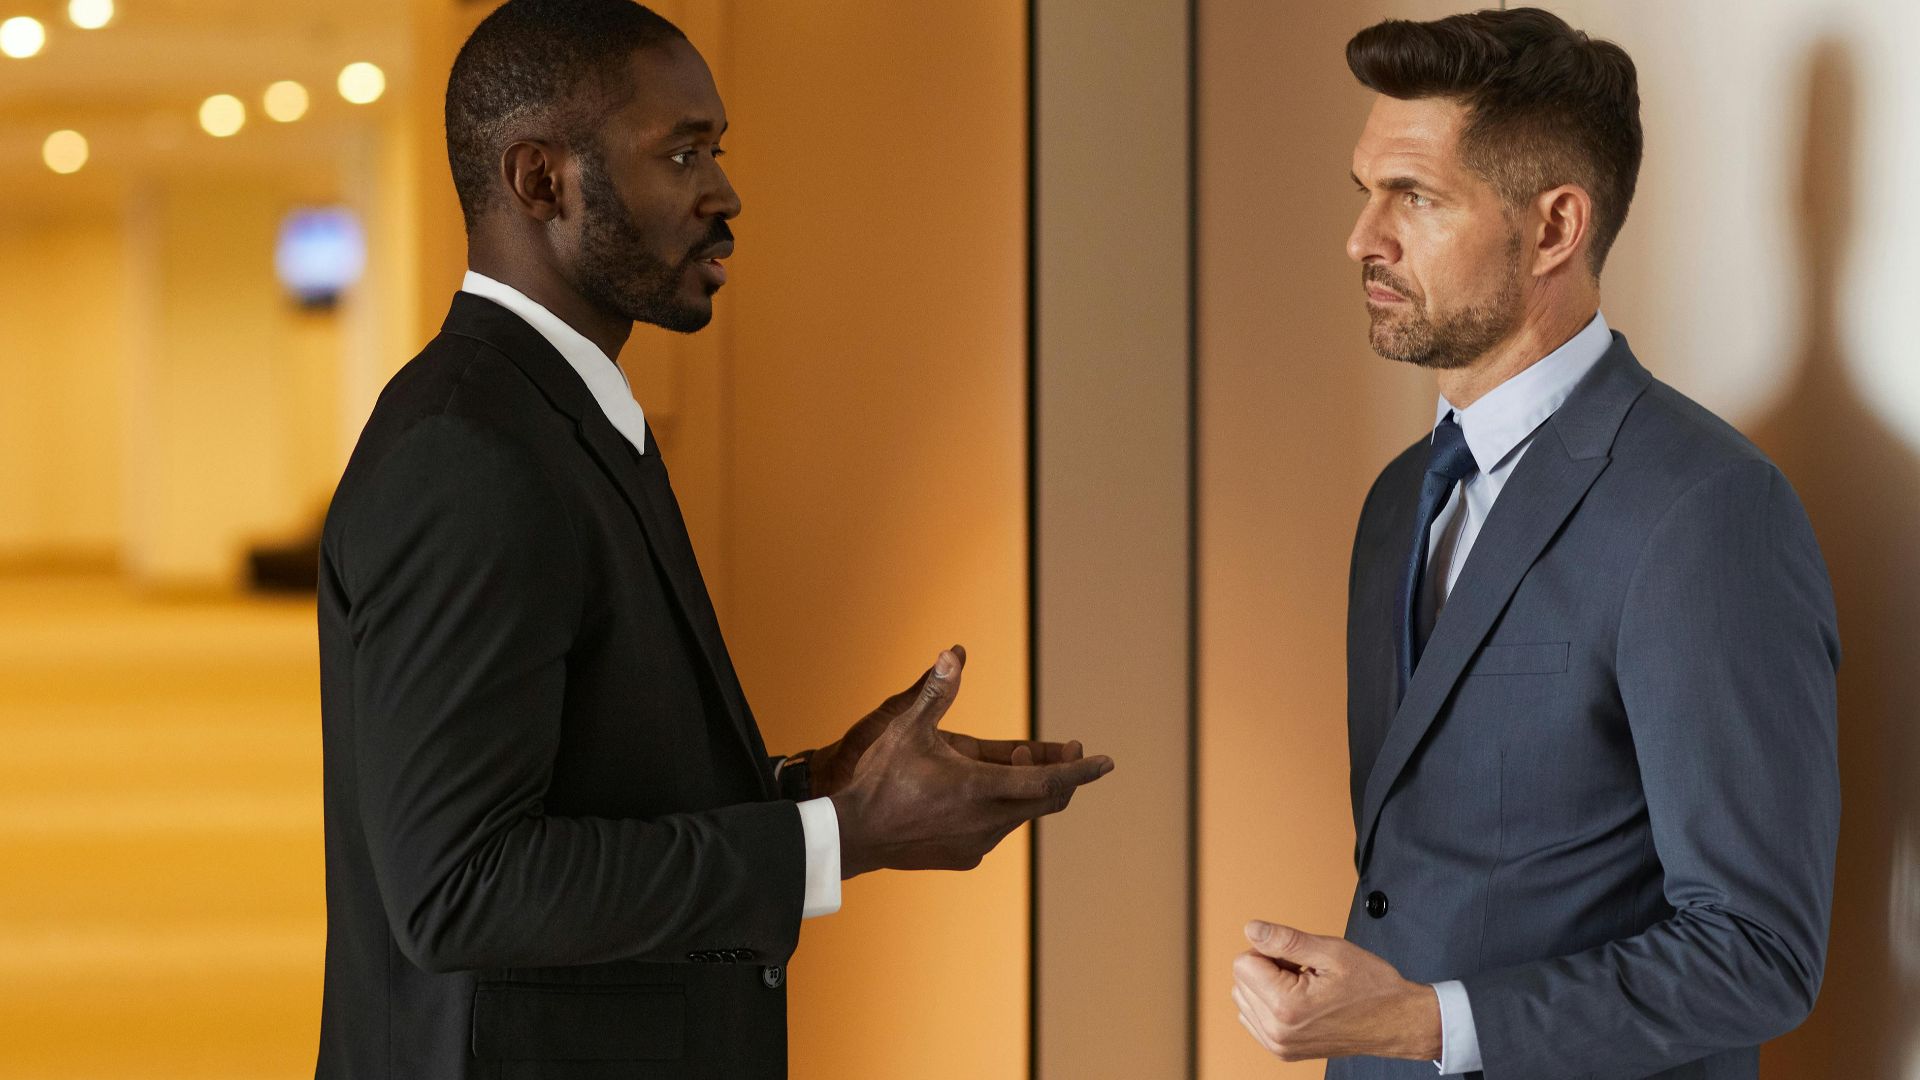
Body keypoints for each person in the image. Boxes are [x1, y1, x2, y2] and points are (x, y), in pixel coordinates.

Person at [313, 2, 1112, 1077]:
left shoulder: (562, 419)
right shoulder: (469, 452)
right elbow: (462, 887)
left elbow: (581, 790)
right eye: (681, 153)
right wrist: (837, 841)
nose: (724, 194)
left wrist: (815, 788)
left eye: (716, 151)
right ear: (540, 181)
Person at [1230, 10, 1839, 1078]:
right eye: (1365, 190)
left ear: (1555, 228)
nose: (1362, 237)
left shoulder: (1708, 511)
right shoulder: (1394, 504)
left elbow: (1757, 953)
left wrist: (1428, 1024)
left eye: (1413, 197)